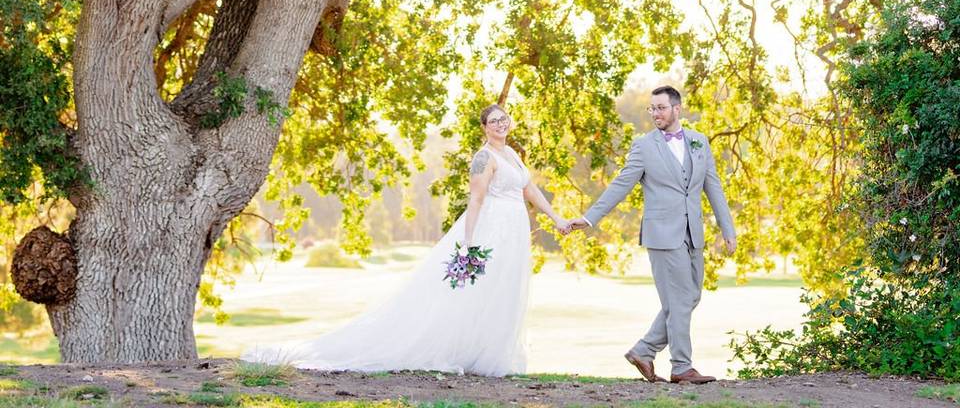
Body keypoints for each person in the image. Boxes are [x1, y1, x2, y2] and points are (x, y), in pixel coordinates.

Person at [243, 103, 568, 376]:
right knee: (479, 291)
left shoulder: (511, 153)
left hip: (515, 230)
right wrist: (469, 242)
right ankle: (472, 354)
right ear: (484, 127)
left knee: (505, 289)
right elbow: (476, 201)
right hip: (492, 228)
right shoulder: (484, 158)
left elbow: (528, 188)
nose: (501, 123)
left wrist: (557, 219)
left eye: (504, 118)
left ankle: (495, 354)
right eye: (494, 120)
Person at [563, 85, 736, 384]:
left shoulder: (699, 142)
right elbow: (621, 184)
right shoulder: (644, 147)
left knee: (690, 296)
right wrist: (590, 218)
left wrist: (727, 228)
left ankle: (644, 350)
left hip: (693, 232)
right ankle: (681, 366)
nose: (655, 113)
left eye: (661, 108)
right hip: (662, 235)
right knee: (681, 300)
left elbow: (714, 187)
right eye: (651, 108)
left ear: (677, 109)